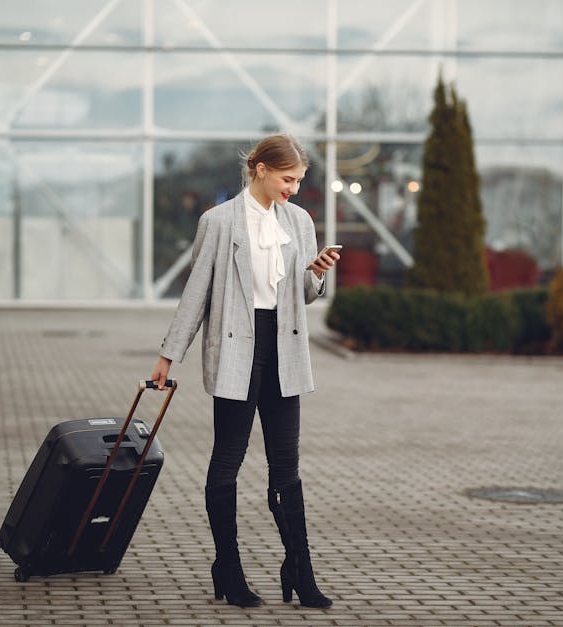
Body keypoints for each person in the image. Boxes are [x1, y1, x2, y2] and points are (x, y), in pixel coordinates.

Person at [151, 134, 338, 609]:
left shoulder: (299, 221)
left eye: (298, 180)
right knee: (227, 461)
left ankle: (299, 568)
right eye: (287, 178)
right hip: (236, 346)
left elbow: (304, 295)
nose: (293, 189)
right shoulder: (218, 221)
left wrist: (316, 273)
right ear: (259, 169)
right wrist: (168, 356)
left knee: (286, 467)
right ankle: (228, 567)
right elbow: (195, 294)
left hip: (284, 348)